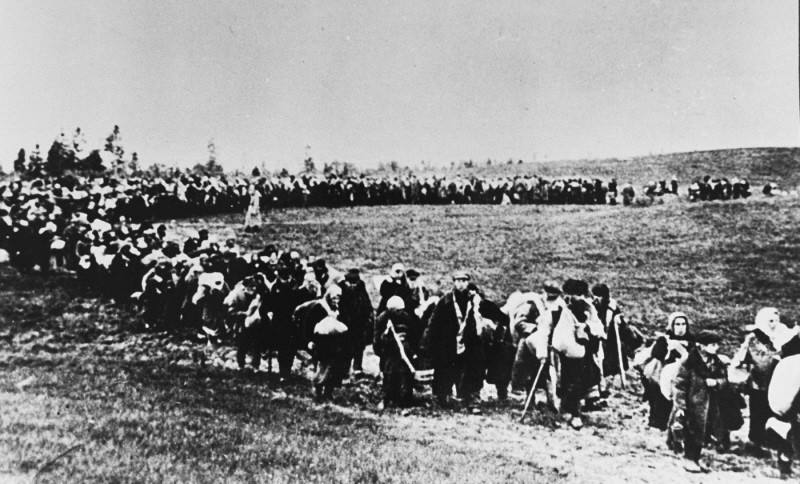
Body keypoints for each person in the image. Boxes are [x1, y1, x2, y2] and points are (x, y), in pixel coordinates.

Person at [421, 271, 484, 410]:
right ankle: (444, 397)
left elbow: (483, 320)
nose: (461, 284)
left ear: (467, 282)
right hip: (448, 342)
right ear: (454, 282)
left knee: (471, 370)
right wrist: (427, 342)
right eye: (458, 280)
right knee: (445, 369)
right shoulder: (446, 300)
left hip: (469, 342)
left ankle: (472, 399)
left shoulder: (475, 300)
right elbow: (434, 322)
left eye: (464, 280)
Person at [672, 330, 730, 473]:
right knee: (691, 431)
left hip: (710, 405)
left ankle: (696, 459)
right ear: (701, 345)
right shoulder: (689, 362)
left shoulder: (716, 362)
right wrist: (680, 406)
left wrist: (716, 382)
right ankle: (689, 459)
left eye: (717, 344)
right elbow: (679, 385)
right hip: (692, 404)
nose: (716, 347)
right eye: (712, 344)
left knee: (704, 432)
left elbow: (725, 381)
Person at [374, 296, 422, 408]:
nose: (400, 313)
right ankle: (387, 398)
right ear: (390, 309)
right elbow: (377, 339)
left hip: (404, 352)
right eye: (397, 310)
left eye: (401, 310)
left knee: (405, 375)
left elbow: (413, 335)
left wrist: (412, 351)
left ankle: (406, 399)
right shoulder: (382, 319)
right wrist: (382, 351)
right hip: (388, 352)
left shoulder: (406, 317)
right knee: (389, 375)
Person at [338, 269, 375, 377]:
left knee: (359, 346)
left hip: (359, 323)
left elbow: (366, 302)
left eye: (355, 283)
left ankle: (357, 368)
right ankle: (344, 369)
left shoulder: (361, 287)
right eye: (351, 283)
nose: (353, 285)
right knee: (346, 347)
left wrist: (368, 316)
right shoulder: (341, 289)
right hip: (345, 323)